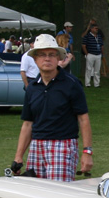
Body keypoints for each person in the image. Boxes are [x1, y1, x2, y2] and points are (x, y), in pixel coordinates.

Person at [13, 34, 92, 181]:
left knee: (58, 195)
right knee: (35, 195)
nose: (47, 59)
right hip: (36, 146)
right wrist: (18, 156)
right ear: (35, 59)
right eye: (42, 55)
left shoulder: (71, 84)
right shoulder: (32, 88)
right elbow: (28, 124)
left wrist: (87, 151)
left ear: (58, 58)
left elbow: (83, 118)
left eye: (51, 55)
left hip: (63, 146)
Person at [82, 23, 103, 87]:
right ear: (91, 29)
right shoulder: (87, 36)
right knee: (89, 69)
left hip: (98, 54)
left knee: (97, 70)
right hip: (90, 54)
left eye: (97, 28)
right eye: (95, 28)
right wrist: (87, 54)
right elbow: (83, 45)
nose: (97, 29)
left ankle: (97, 84)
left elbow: (102, 45)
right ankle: (87, 83)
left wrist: (102, 53)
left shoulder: (99, 36)